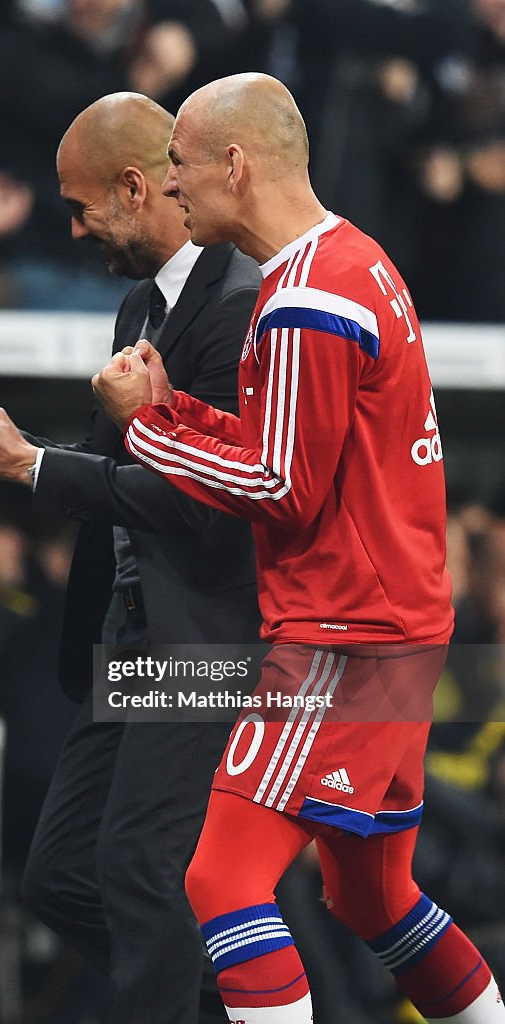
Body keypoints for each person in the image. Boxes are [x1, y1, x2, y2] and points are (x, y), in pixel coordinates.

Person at [91, 73, 504, 1023]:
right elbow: (287, 443)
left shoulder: (304, 302)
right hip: (402, 626)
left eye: (182, 164)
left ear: (235, 165)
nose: (174, 186)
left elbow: (281, 486)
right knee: (372, 897)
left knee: (223, 880)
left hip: (341, 639)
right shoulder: (351, 262)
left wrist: (145, 433)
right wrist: (175, 407)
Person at [0, 92, 262, 1024]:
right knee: (61, 876)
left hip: (207, 640)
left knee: (142, 872)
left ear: (135, 187)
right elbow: (105, 472)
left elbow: (205, 504)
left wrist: (34, 467)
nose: (70, 230)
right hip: (130, 640)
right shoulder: (142, 305)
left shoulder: (242, 311)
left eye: (79, 207)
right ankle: (260, 1008)